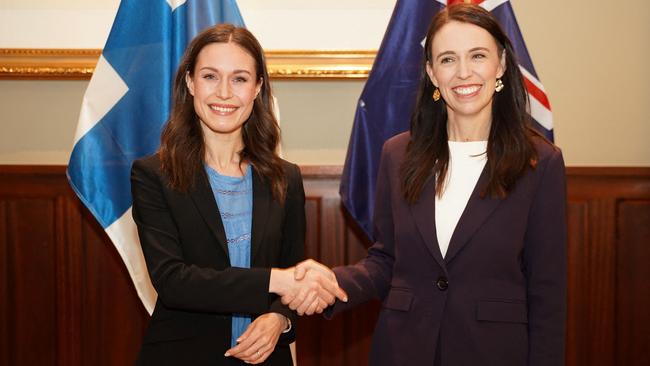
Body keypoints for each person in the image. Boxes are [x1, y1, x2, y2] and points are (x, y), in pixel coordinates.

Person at [287, 4, 567, 366]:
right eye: (448, 59)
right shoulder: (397, 154)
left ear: (500, 65)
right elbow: (386, 262)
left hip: (493, 352)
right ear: (432, 73)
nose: (463, 72)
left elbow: (547, 293)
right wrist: (331, 283)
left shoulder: (540, 162)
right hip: (403, 349)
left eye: (477, 56)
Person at [130, 24, 345, 366]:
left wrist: (280, 320)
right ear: (190, 82)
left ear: (258, 87)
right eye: (211, 76)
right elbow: (174, 281)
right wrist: (279, 281)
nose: (225, 93)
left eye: (240, 78)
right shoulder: (153, 175)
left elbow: (292, 280)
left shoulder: (284, 177)